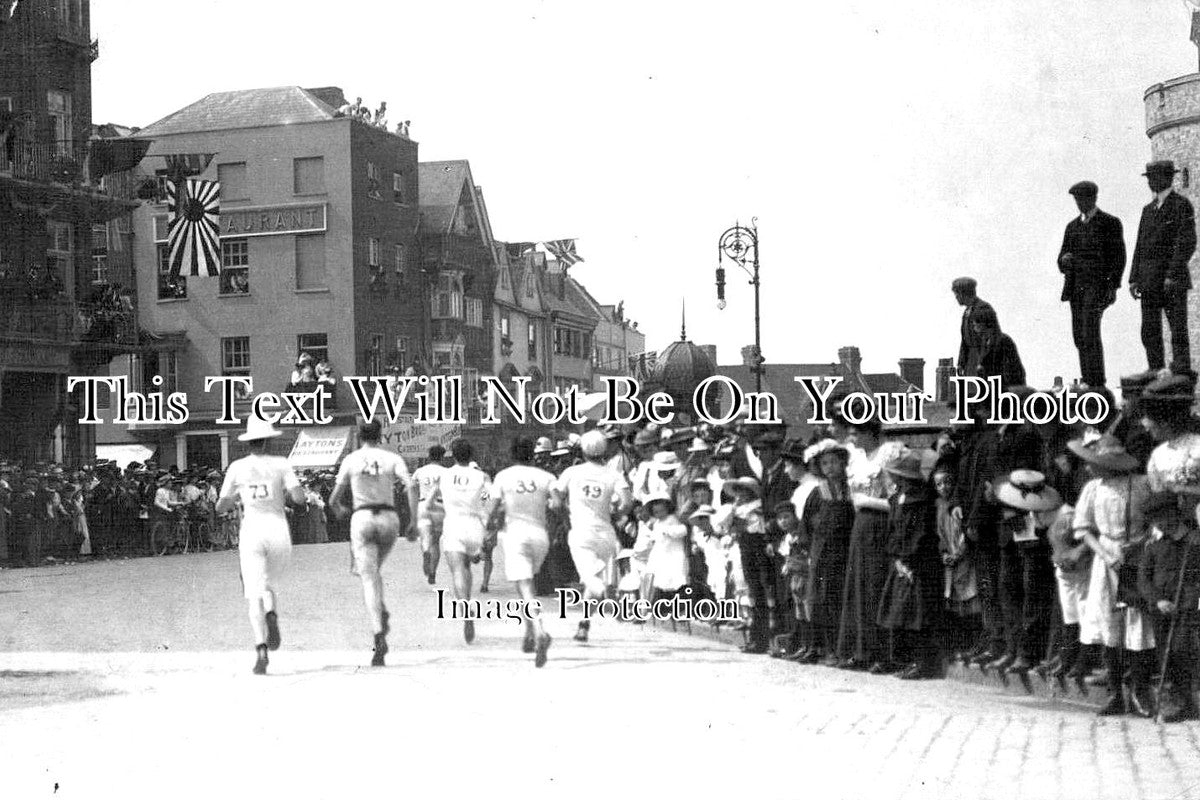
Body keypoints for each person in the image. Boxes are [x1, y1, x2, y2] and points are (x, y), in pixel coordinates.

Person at [216, 417, 307, 676]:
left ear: (248, 443)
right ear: (268, 441)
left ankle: (261, 650)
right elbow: (299, 498)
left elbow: (220, 506)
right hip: (278, 528)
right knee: (267, 583)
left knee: (253, 590)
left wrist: (237, 497)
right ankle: (272, 613)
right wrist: (286, 492)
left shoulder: (237, 467)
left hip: (252, 528)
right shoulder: (281, 464)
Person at [328, 419, 417, 667]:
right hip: (389, 518)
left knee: (368, 576)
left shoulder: (351, 459)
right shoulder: (392, 458)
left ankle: (379, 632)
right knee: (374, 572)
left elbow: (334, 498)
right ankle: (381, 609)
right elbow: (411, 486)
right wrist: (413, 521)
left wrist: (340, 509)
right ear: (381, 435)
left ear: (359, 435)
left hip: (363, 517)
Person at [552, 430, 634, 643]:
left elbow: (557, 502)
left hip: (581, 532)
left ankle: (605, 595)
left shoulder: (571, 472)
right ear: (604, 449)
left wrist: (566, 517)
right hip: (606, 533)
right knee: (593, 578)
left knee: (590, 578)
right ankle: (584, 624)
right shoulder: (613, 474)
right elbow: (627, 503)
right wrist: (614, 515)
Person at [486, 436, 556, 666]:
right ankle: (528, 633)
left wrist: (488, 527)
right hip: (540, 536)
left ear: (512, 454)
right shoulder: (546, 477)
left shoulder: (503, 477)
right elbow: (557, 504)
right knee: (529, 585)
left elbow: (492, 509)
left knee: (525, 587)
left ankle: (538, 630)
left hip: (516, 535)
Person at [1130, 160, 1197, 377]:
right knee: (1149, 330)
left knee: (1177, 328)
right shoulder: (1148, 210)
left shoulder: (1181, 205)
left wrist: (1172, 273)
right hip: (1149, 281)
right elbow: (1140, 245)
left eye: (1154, 177)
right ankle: (1155, 369)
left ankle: (1180, 371)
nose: (1150, 181)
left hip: (1171, 281)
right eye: (1149, 177)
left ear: (1167, 178)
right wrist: (1134, 278)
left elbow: (1186, 242)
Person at [1058, 180, 1126, 388]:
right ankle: (1087, 379)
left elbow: (1118, 257)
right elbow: (1061, 257)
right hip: (1075, 288)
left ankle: (1096, 382)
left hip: (1096, 287)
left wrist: (1112, 286)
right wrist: (1064, 260)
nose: (1079, 203)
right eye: (1077, 199)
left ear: (1093, 198)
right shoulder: (1072, 227)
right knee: (1079, 335)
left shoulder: (1109, 223)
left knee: (1090, 332)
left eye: (1083, 199)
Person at [426, 439, 491, 644]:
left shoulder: (444, 476)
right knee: (468, 567)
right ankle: (475, 558)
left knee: (458, 571)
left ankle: (465, 609)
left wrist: (445, 510)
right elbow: (491, 499)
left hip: (453, 525)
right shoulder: (482, 476)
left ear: (453, 455)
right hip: (475, 526)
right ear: (471, 455)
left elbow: (429, 503)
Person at [411, 445, 449, 584]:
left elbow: (412, 488)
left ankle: (425, 550)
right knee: (436, 541)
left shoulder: (419, 471)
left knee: (425, 537)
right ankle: (433, 572)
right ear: (442, 457)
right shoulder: (447, 472)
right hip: (440, 506)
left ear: (429, 456)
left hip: (423, 505)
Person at [953, 277, 997, 378]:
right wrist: (961, 363)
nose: (956, 297)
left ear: (964, 293)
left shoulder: (983, 309)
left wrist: (983, 362)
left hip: (984, 361)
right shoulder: (967, 312)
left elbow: (991, 339)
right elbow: (964, 341)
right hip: (971, 361)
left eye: (957, 294)